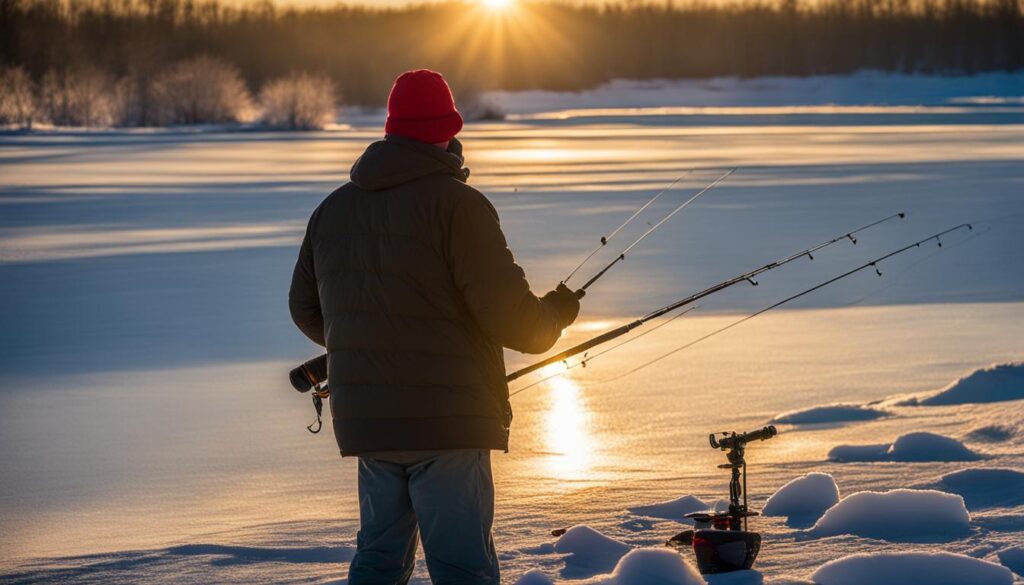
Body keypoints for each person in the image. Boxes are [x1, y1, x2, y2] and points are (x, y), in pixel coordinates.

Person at [288, 69, 580, 585]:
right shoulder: (458, 206)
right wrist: (556, 312)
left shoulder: (332, 210)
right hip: (448, 422)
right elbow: (519, 324)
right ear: (447, 131)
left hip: (370, 424)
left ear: (391, 129)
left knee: (378, 563)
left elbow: (308, 311)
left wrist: (373, 345)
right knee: (463, 570)